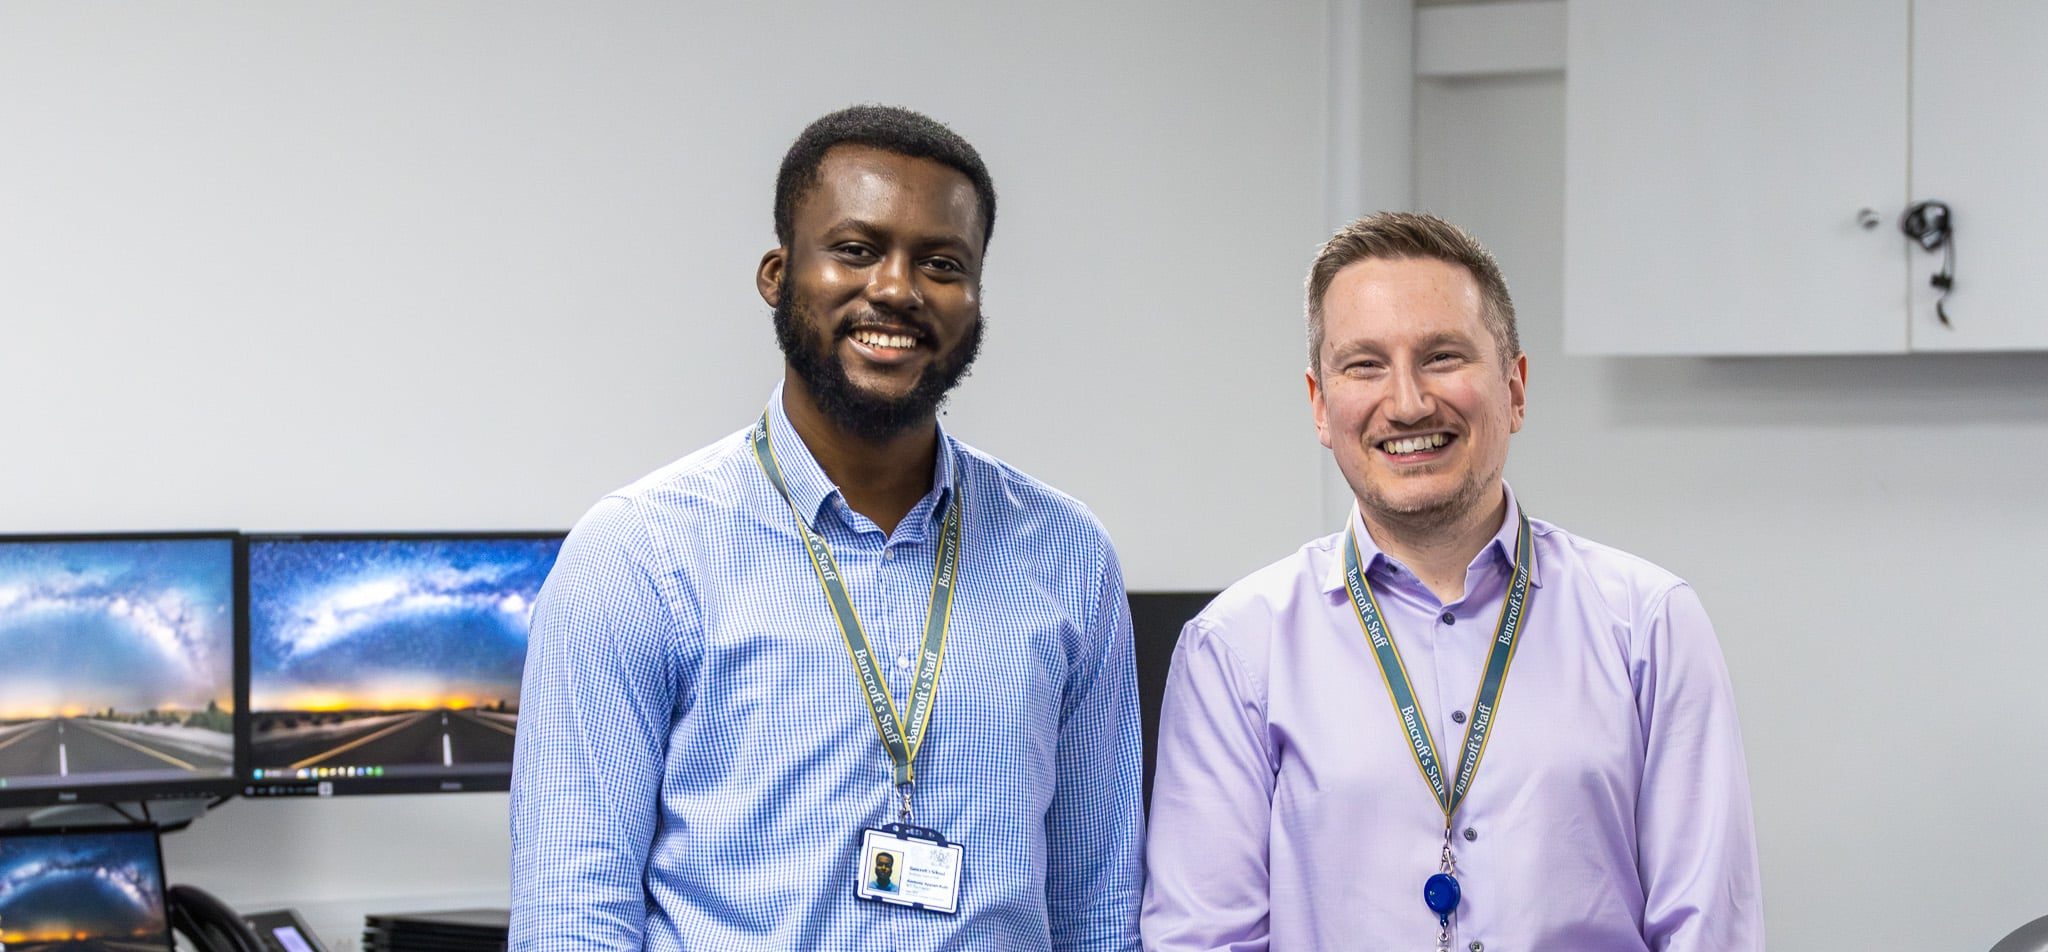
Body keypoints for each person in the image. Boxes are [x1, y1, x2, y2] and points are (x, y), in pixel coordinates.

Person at [510, 106, 1143, 951]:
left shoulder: (1068, 555)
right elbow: (571, 917)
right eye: (855, 249)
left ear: (975, 299)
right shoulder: (638, 555)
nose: (897, 289)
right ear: (778, 275)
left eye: (942, 264)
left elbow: (1099, 910)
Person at [1141, 212, 1763, 951]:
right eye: (1364, 365)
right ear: (1320, 405)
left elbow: (1708, 931)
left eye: (1441, 356)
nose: (1407, 402)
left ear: (1516, 389)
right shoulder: (1236, 650)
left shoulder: (1649, 625)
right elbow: (1203, 939)